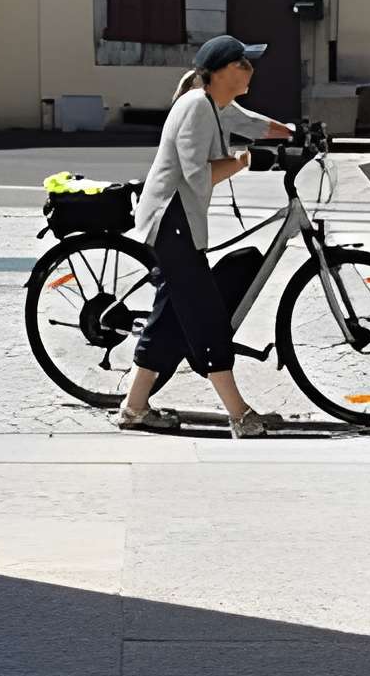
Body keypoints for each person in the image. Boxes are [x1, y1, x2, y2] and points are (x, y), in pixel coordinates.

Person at [120, 34, 295, 436]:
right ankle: (240, 415)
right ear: (218, 72)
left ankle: (134, 407)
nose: (250, 70)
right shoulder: (196, 108)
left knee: (172, 320)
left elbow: (250, 123)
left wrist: (293, 133)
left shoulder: (215, 105)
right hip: (171, 222)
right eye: (242, 64)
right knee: (203, 314)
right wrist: (243, 161)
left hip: (179, 222)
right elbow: (197, 177)